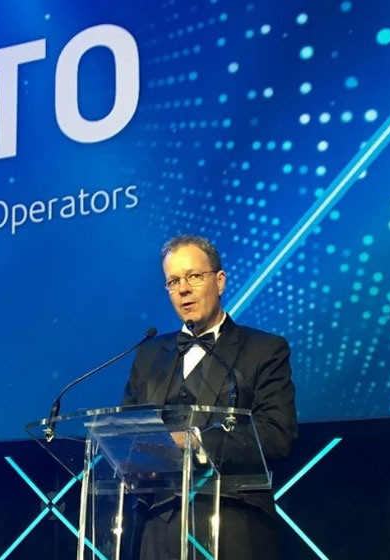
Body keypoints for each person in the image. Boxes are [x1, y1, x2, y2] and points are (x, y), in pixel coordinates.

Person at [123, 234, 297, 560]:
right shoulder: (148, 354)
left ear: (219, 281)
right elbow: (126, 434)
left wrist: (191, 440)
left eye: (193, 276)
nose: (183, 289)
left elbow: (277, 436)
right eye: (173, 281)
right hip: (157, 527)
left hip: (232, 523)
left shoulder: (263, 349)